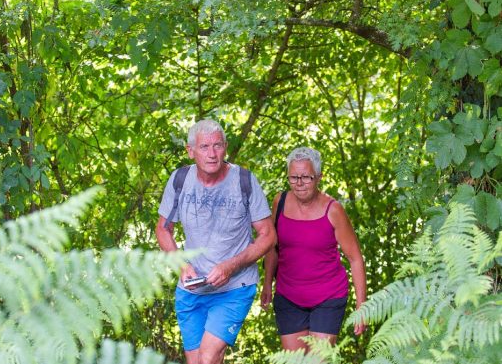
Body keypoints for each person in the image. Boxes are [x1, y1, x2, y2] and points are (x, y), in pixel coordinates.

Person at [156, 119, 276, 364]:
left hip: (234, 287)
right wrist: (181, 265)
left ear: (225, 147)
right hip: (192, 287)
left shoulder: (244, 180)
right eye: (204, 147)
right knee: (196, 361)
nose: (212, 154)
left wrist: (230, 266)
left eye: (217, 146)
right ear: (191, 151)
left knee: (208, 358)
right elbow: (163, 229)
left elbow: (268, 235)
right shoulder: (179, 180)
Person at [260, 147, 366, 351]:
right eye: (293, 177)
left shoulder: (333, 210)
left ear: (318, 177)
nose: (299, 184)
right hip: (288, 295)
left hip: (328, 296)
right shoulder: (279, 201)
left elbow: (355, 258)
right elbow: (271, 247)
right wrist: (266, 284)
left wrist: (362, 306)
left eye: (306, 177)